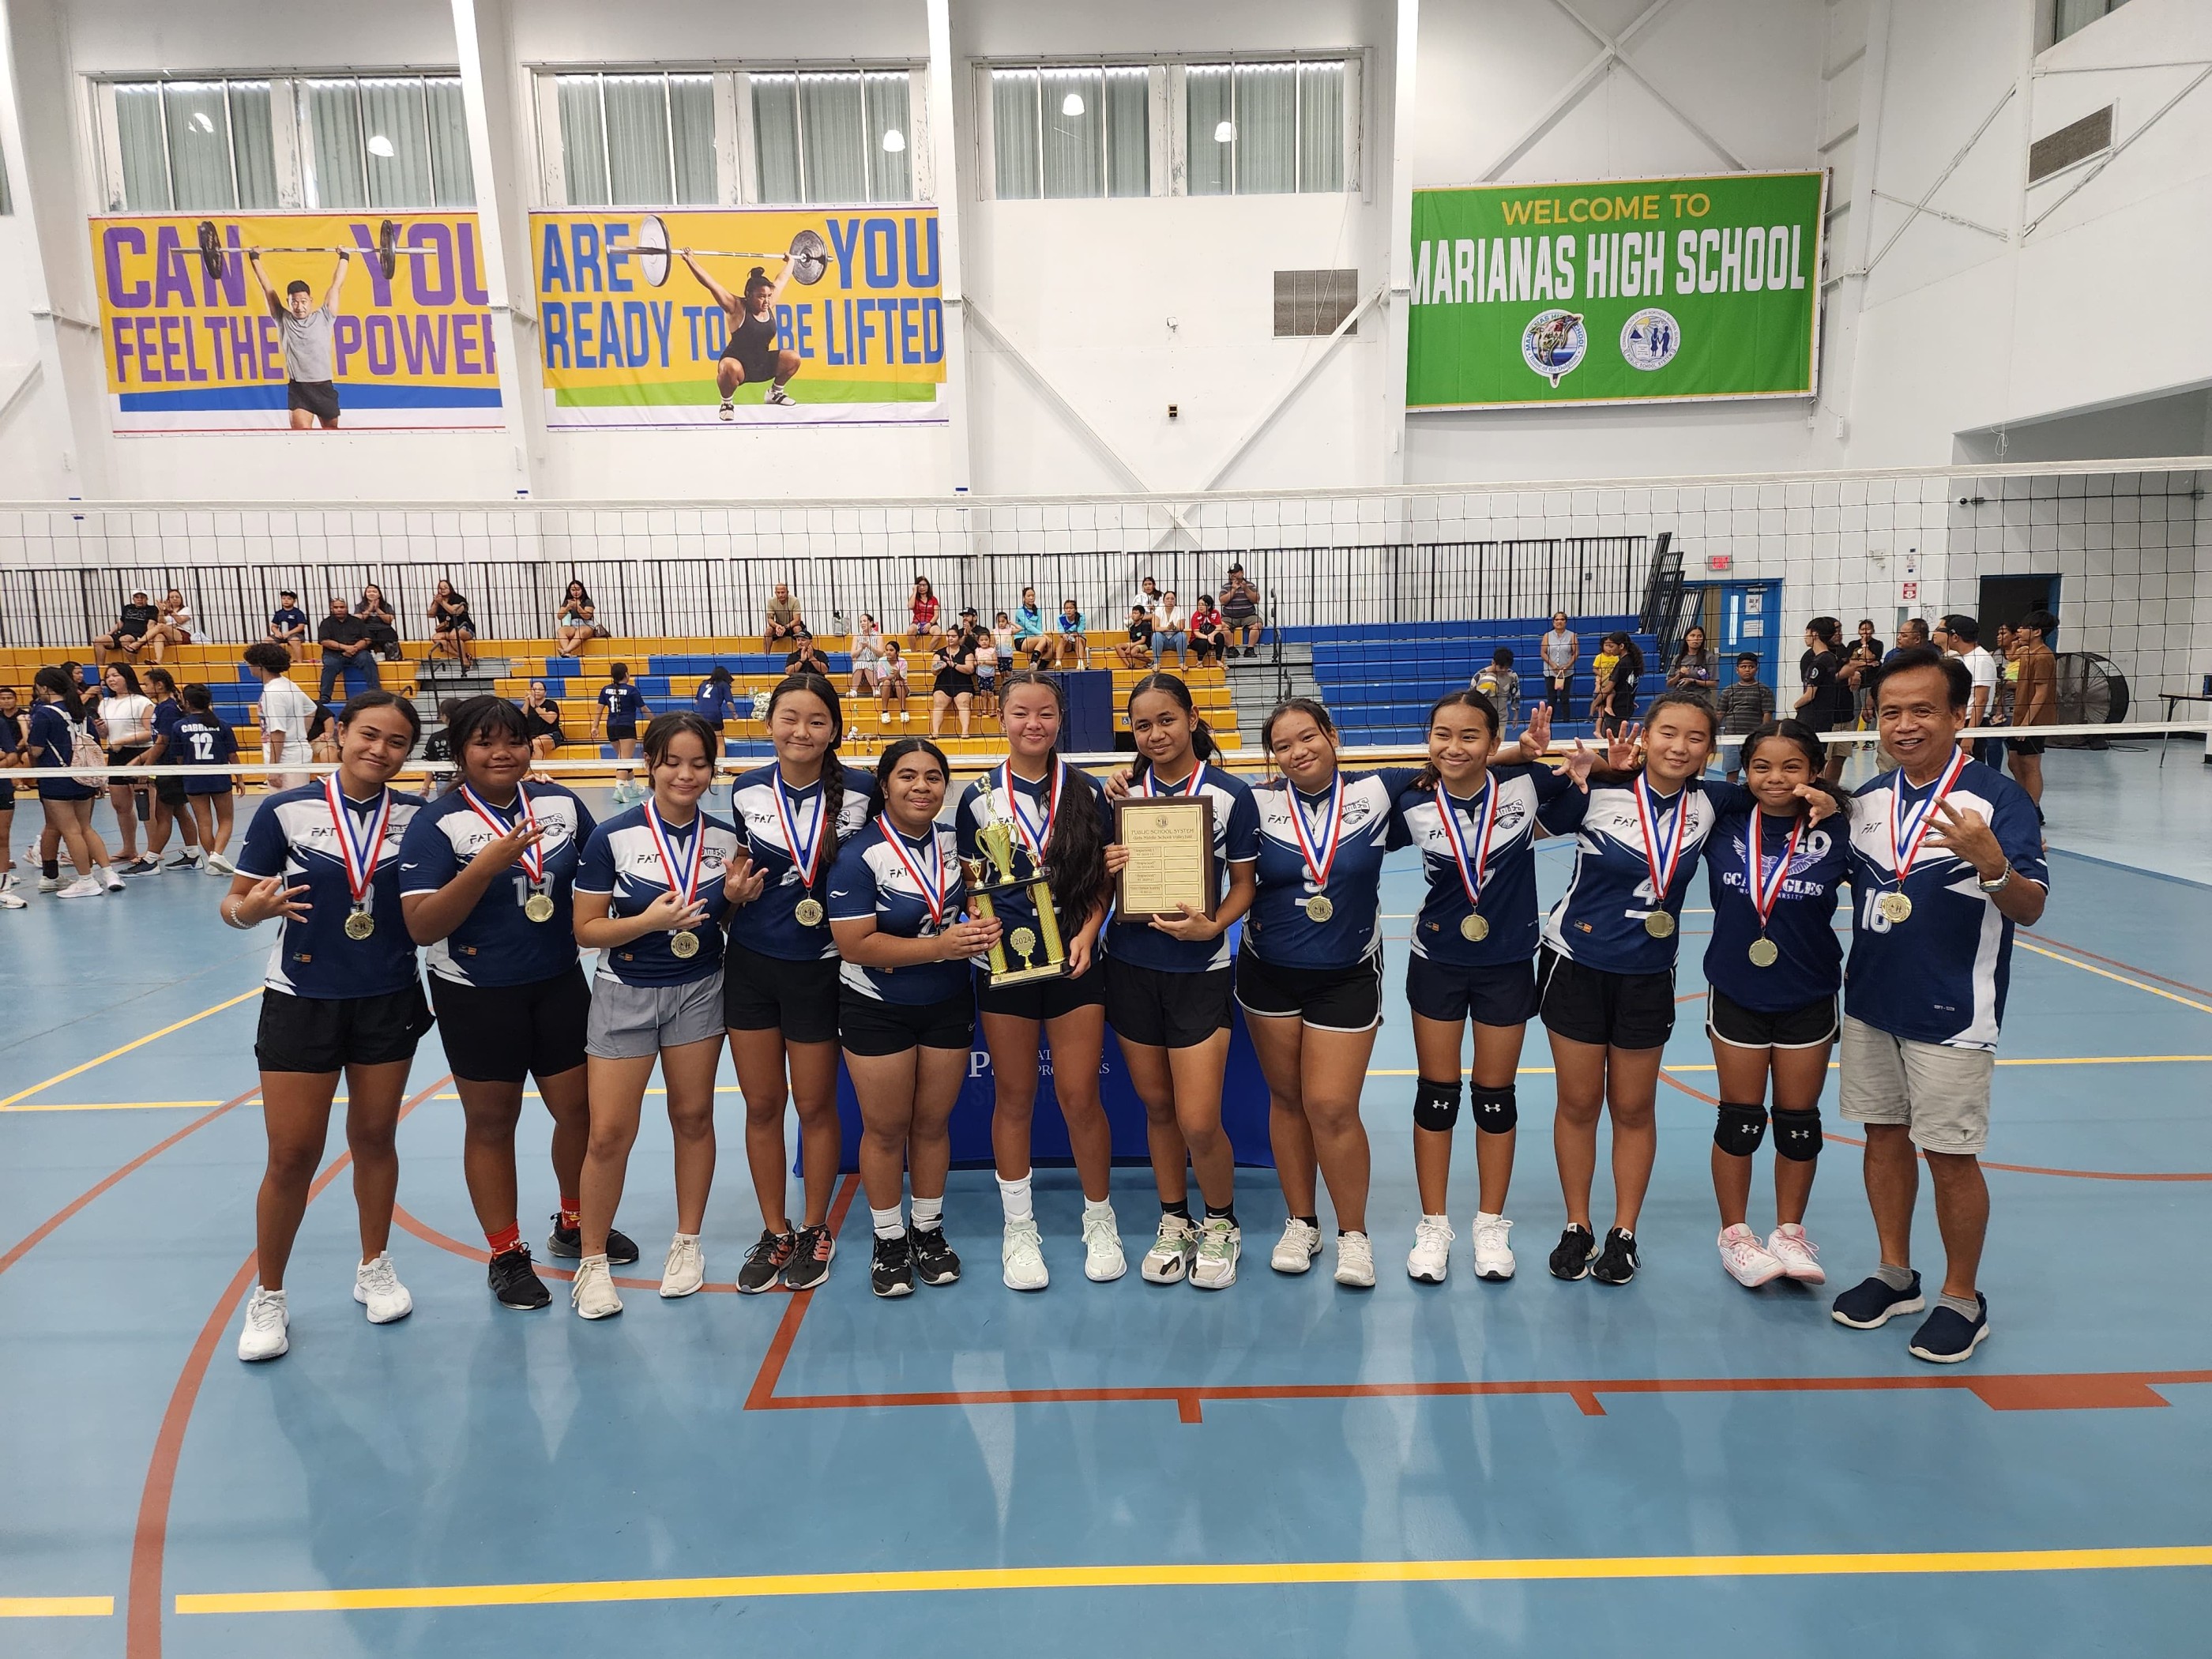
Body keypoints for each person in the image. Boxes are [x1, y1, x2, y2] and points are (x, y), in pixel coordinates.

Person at [1535, 692, 1838, 1287]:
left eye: (1695, 738)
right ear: (1645, 736)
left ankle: (1624, 1233)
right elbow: (1538, 809)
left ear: (1710, 750)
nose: (1679, 747)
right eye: (1668, 733)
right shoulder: (1599, 791)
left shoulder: (1717, 801)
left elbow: (1780, 789)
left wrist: (1827, 797)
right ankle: (1577, 1224)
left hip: (1649, 972)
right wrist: (1586, 772)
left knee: (1633, 1108)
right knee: (1577, 1104)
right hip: (1575, 962)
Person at [1828, 647, 2048, 1364]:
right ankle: (1895, 1274)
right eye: (1891, 712)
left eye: (1923, 710)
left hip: (1954, 1012)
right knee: (1883, 1138)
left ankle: (1961, 1298)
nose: (1905, 725)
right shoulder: (1868, 801)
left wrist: (1994, 864)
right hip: (1871, 1003)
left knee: (1950, 1156)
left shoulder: (1999, 800)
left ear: (1959, 715)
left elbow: (2030, 908)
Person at [398, 696, 628, 1311]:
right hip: (475, 993)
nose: (502, 752)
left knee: (579, 1112)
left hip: (557, 982)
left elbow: (605, 878)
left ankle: (574, 1223)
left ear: (531, 745)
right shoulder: (438, 823)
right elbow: (422, 925)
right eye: (485, 742)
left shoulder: (561, 805)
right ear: (460, 750)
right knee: (493, 1123)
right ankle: (505, 1253)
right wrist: (484, 867)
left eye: (514, 740)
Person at [223, 691, 428, 1361]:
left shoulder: (418, 817)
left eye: (396, 742)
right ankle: (269, 1295)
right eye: (368, 734)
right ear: (339, 733)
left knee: (375, 1138)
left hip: (388, 998)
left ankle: (374, 1266)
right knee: (291, 1155)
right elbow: (234, 904)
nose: (379, 750)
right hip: (302, 999)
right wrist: (252, 913)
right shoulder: (285, 811)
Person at [1393, 692, 1586, 1282]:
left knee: (1495, 1097)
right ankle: (1433, 1224)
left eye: (1471, 736)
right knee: (1436, 1094)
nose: (1455, 747)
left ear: (1493, 739)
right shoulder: (1411, 799)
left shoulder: (1526, 785)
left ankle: (1490, 1223)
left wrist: (1532, 758)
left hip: (1507, 963)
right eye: (1442, 734)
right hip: (1437, 960)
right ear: (1429, 738)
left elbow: (1589, 778)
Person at [1238, 700, 1420, 1289]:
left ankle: (1354, 1234)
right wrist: (1126, 780)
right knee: (1287, 1099)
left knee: (1333, 1106)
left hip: (1348, 972)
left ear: (1331, 736)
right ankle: (1302, 1222)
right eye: (1283, 745)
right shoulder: (1255, 803)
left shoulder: (1379, 791)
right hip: (1268, 971)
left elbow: (1455, 761)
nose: (1298, 752)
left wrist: (1521, 752)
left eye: (1307, 737)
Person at [567, 713, 743, 1319]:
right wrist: (648, 922)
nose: (686, 774)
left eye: (699, 763)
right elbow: (586, 930)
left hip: (699, 990)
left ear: (712, 770)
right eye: (673, 762)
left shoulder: (725, 841)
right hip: (625, 994)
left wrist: (734, 902)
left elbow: (721, 918)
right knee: (609, 1133)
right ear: (650, 765)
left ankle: (687, 1243)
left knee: (693, 1117)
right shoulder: (611, 837)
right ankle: (593, 1262)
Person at [957, 673, 1118, 1289]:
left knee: (1080, 1097)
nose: (1034, 723)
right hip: (1006, 966)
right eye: (1021, 712)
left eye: (1045, 712)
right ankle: (1019, 1228)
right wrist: (978, 923)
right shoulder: (975, 797)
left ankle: (1099, 1218)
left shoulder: (1088, 791)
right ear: (1001, 717)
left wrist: (1090, 932)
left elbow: (1102, 879)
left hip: (1076, 960)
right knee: (1015, 1096)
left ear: (1060, 719)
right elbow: (971, 884)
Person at [1101, 674, 1259, 1289]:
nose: (1155, 734)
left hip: (1198, 971)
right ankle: (1174, 1219)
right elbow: (1099, 881)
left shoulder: (1230, 795)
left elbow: (1243, 884)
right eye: (1142, 725)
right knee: (1159, 1107)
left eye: (1166, 719)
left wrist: (1213, 925)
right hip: (1130, 967)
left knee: (1198, 1118)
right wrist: (1107, 864)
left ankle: (1221, 1221)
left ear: (1192, 719)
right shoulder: (1120, 794)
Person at [722, 674, 878, 1294]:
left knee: (814, 1105)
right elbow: (739, 869)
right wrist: (732, 896)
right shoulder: (746, 788)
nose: (801, 731)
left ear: (834, 729)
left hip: (822, 967)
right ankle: (774, 1230)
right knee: (762, 1105)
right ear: (770, 724)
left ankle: (815, 1227)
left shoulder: (863, 790)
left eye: (816, 721)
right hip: (753, 965)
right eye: (789, 718)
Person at [829, 738, 999, 1298]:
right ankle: (888, 1238)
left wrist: (983, 922)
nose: (921, 787)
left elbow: (983, 898)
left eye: (932, 777)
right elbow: (855, 944)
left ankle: (927, 1229)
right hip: (877, 1006)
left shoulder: (957, 844)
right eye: (907, 776)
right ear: (885, 785)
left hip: (947, 1001)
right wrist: (940, 947)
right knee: (885, 1129)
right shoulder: (860, 855)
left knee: (931, 1124)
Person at [1701, 720, 1849, 1289]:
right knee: (1740, 1119)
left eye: (1792, 767)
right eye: (1762, 766)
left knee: (1798, 1122)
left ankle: (1789, 1232)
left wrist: (1833, 802)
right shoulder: (1724, 818)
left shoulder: (1838, 827)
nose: (1776, 778)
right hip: (1738, 988)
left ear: (1815, 771)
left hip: (1809, 991)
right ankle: (1735, 1236)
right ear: (1745, 771)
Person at [27, 666, 120, 897]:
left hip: (57, 779)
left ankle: (86, 881)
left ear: (45, 688)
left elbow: (36, 750)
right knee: (84, 827)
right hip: (84, 777)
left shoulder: (45, 713)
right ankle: (109, 874)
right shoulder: (81, 713)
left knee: (71, 831)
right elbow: (94, 745)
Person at [683, 258, 803, 416]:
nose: (766, 301)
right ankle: (727, 404)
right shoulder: (736, 307)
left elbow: (782, 279)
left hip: (761, 363)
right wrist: (689, 260)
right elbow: (711, 284)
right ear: (749, 295)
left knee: (793, 358)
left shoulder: (768, 303)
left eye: (769, 296)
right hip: (738, 365)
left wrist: (791, 262)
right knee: (729, 367)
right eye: (761, 296)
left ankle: (774, 393)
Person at [247, 246, 348, 429]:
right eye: (294, 302)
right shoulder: (283, 318)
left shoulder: (325, 316)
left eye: (303, 301)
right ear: (288, 302)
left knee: (333, 436)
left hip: (324, 387)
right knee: (301, 437)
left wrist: (344, 256)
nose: (299, 306)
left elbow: (337, 285)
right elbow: (267, 288)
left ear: (310, 301)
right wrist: (254, 257)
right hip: (299, 390)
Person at [137, 668, 203, 871]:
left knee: (163, 815)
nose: (144, 688)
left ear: (159, 685)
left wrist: (146, 767)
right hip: (168, 767)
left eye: (147, 684)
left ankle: (150, 861)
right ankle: (193, 855)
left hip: (170, 768)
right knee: (180, 811)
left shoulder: (168, 709)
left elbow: (163, 741)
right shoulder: (163, 707)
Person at [96, 664, 157, 873]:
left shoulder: (142, 702)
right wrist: (102, 731)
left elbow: (151, 732)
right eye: (108, 676)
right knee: (120, 805)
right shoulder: (105, 703)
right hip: (116, 754)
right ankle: (129, 848)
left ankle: (153, 850)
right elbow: (107, 735)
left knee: (145, 804)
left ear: (127, 677)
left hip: (140, 754)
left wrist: (123, 740)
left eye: (116, 675)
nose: (111, 679)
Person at [175, 684, 243, 872]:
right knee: (226, 820)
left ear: (188, 703)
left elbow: (179, 758)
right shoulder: (222, 725)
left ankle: (213, 862)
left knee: (204, 822)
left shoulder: (179, 726)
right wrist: (240, 778)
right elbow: (233, 756)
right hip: (219, 777)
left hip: (194, 778)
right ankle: (217, 855)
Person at [243, 643, 316, 794]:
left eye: (249, 662)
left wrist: (275, 769)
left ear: (260, 665)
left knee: (289, 806)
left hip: (287, 761)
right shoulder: (288, 684)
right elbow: (311, 709)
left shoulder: (273, 693)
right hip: (295, 756)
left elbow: (278, 732)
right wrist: (300, 736)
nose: (248, 666)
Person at [1934, 615, 2002, 769]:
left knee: (1969, 770)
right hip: (1961, 721)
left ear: (1955, 637)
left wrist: (1970, 734)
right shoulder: (1966, 658)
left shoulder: (1981, 659)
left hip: (1972, 723)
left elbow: (1981, 699)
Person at [2006, 609, 2058, 808]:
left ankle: (2033, 809)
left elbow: (2041, 693)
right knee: (2013, 762)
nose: (2019, 630)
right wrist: (2015, 643)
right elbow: (2011, 657)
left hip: (2034, 720)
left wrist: (2027, 723)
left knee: (2030, 763)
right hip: (2020, 715)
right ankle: (2024, 802)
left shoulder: (2043, 656)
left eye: (2024, 627)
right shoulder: (2027, 651)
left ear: (2037, 632)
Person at [1794, 617, 1854, 782]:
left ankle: (1823, 791)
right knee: (1817, 762)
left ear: (1814, 634)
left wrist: (1796, 704)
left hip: (1824, 717)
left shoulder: (1826, 658)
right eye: (1835, 630)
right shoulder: (1818, 658)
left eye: (1806, 632)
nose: (1805, 636)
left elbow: (1811, 693)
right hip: (1823, 718)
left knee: (1821, 760)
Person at [591, 663, 649, 804]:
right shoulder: (632, 690)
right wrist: (657, 721)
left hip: (611, 727)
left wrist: (595, 726)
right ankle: (619, 791)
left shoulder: (606, 689)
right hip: (626, 727)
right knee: (624, 759)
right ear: (626, 674)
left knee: (624, 758)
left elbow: (599, 709)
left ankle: (634, 788)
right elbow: (644, 709)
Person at [1715, 653, 1775, 781]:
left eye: (1751, 666)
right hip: (1731, 738)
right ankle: (1731, 793)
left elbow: (1767, 714)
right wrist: (1711, 730)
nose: (1747, 669)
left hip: (1753, 739)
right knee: (1731, 772)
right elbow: (1720, 713)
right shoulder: (1728, 691)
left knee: (1753, 772)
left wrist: (1763, 736)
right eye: (1743, 667)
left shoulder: (1764, 690)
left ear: (1757, 669)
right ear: (1737, 670)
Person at [317, 598, 381, 704]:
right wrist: (345, 648)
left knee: (367, 658)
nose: (339, 609)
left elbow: (367, 639)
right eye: (336, 607)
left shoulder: (357, 621)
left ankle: (376, 693)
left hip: (357, 652)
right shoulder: (326, 623)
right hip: (334, 654)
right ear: (331, 609)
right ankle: (325, 696)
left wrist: (354, 648)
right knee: (330, 665)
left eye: (342, 607)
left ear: (346, 608)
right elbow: (325, 641)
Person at [0, 686, 28, 908]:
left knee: (2, 836)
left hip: (2, 787)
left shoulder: (1, 723)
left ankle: (3, 887)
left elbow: (12, 757)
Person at [929, 625, 980, 739]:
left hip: (963, 685)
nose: (950, 638)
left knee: (963, 702)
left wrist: (954, 665)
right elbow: (933, 670)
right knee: (938, 702)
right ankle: (935, 732)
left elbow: (970, 669)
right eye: (948, 636)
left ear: (959, 638)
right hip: (943, 685)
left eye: (953, 636)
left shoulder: (967, 652)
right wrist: (940, 666)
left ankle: (965, 732)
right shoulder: (939, 653)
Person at [1592, 633, 1642, 736]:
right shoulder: (1632, 661)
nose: (1610, 649)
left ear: (1621, 646)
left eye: (1612, 646)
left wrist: (1595, 703)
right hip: (1626, 705)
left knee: (1609, 741)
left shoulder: (1622, 663)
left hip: (1617, 709)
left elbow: (1609, 688)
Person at [427, 579, 477, 672]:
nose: (443, 589)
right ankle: (463, 655)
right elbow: (430, 615)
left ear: (450, 588)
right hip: (449, 630)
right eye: (440, 588)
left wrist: (442, 603)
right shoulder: (438, 602)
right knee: (436, 637)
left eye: (445, 587)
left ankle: (465, 661)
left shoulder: (458, 599)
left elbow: (455, 612)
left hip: (465, 628)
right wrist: (436, 603)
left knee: (454, 635)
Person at [97, 591, 160, 665]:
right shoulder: (128, 607)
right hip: (122, 634)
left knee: (124, 639)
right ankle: (100, 668)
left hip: (138, 635)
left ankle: (134, 666)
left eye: (142, 597)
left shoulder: (152, 609)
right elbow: (121, 623)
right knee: (98, 640)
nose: (139, 599)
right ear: (133, 599)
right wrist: (110, 632)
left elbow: (151, 625)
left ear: (147, 599)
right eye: (137, 597)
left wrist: (148, 639)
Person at [1540, 611, 1579, 719]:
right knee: (1551, 698)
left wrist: (1567, 666)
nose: (1559, 622)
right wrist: (1553, 665)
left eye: (1562, 619)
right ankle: (1549, 721)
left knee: (1565, 698)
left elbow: (1576, 653)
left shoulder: (1572, 635)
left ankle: (1567, 721)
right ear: (1553, 622)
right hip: (1550, 671)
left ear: (1566, 622)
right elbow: (1543, 653)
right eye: (1557, 619)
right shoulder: (1547, 636)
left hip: (1567, 672)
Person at [692, 665, 739, 752]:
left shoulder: (703, 683)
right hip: (714, 715)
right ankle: (721, 761)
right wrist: (734, 714)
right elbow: (729, 703)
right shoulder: (723, 685)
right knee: (720, 743)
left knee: (705, 742)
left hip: (701, 716)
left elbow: (696, 701)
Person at [1219, 566, 1262, 656]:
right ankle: (1231, 649)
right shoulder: (1226, 586)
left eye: (1235, 572)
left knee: (1258, 624)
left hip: (1249, 616)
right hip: (1229, 617)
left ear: (1242, 572)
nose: (1233, 575)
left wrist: (1246, 589)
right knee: (1221, 625)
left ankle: (1250, 649)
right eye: (1231, 573)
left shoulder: (1250, 585)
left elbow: (1256, 600)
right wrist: (1233, 590)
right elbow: (1222, 601)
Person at [555, 580, 604, 657]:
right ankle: (567, 653)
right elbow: (559, 616)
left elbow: (587, 616)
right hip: (573, 626)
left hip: (587, 625)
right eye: (573, 590)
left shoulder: (587, 601)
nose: (576, 592)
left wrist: (578, 607)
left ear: (582, 590)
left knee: (580, 631)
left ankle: (565, 651)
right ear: (570, 591)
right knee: (561, 631)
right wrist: (567, 608)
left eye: (578, 590)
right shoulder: (568, 602)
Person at [1475, 649, 1521, 728]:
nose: (1503, 670)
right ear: (1493, 663)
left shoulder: (1512, 676)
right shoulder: (1480, 676)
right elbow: (1471, 697)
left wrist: (1516, 716)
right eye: (1501, 667)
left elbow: (1516, 696)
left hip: (1501, 718)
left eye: (1506, 668)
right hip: (1482, 718)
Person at [145, 589, 194, 664]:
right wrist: (161, 611)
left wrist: (171, 612)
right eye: (172, 597)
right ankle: (158, 660)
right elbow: (161, 622)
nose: (175, 599)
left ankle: (139, 643)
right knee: (159, 636)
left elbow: (180, 621)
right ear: (168, 600)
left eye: (177, 597)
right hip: (168, 635)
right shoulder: (166, 612)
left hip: (182, 635)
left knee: (162, 627)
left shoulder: (186, 609)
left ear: (181, 599)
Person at [354, 585, 401, 661]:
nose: (371, 593)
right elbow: (357, 619)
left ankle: (393, 659)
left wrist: (377, 609)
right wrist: (369, 609)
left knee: (391, 637)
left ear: (379, 594)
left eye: (374, 591)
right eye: (369, 592)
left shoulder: (386, 606)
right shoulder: (360, 606)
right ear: (365, 594)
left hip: (384, 629)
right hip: (367, 629)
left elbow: (389, 620)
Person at [520, 679, 563, 761]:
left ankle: (539, 769)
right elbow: (521, 719)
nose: (537, 691)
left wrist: (535, 706)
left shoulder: (551, 704)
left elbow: (550, 720)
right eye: (534, 689)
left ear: (545, 692)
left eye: (540, 689)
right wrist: (527, 702)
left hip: (551, 735)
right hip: (533, 736)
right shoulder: (528, 706)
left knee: (534, 744)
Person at [1668, 626, 1715, 692]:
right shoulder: (1678, 658)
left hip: (1700, 696)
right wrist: (1679, 675)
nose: (1696, 639)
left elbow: (1714, 684)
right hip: (1680, 695)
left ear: (1703, 639)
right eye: (1692, 636)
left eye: (1699, 636)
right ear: (1686, 638)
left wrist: (1693, 681)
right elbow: (1669, 684)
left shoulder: (1709, 657)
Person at [1149, 590, 1190, 670]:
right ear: (1163, 601)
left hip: (1174, 640)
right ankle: (1157, 663)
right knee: (1156, 635)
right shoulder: (1158, 610)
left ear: (1175, 601)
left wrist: (1174, 628)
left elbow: (1181, 627)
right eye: (1167, 599)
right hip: (1162, 640)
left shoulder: (1179, 610)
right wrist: (1167, 628)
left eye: (1172, 599)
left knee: (1182, 635)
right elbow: (1155, 628)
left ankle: (1182, 663)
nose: (1170, 601)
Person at [850, 613, 886, 701]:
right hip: (859, 665)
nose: (862, 623)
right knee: (860, 664)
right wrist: (861, 648)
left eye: (864, 621)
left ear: (871, 623)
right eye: (861, 622)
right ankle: (854, 691)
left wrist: (869, 646)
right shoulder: (857, 636)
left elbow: (881, 654)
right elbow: (852, 655)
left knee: (866, 665)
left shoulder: (878, 636)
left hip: (875, 664)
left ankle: (875, 689)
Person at [1047, 599, 1089, 669]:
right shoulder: (1060, 618)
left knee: (1078, 639)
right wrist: (1064, 635)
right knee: (1063, 639)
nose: (1068, 610)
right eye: (1066, 608)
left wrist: (1071, 635)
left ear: (1075, 610)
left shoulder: (1081, 617)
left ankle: (1081, 664)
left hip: (1079, 640)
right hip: (1068, 643)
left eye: (1071, 608)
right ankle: (1058, 663)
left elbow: (1080, 632)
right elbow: (1061, 632)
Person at [876, 639, 912, 724]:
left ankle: (903, 711)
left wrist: (898, 675)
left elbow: (902, 679)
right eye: (887, 650)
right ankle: (885, 712)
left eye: (891, 650)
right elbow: (881, 679)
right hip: (887, 688)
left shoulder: (903, 662)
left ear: (897, 652)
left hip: (901, 687)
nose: (888, 652)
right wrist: (893, 676)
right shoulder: (882, 661)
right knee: (887, 683)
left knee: (898, 683)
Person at [269, 590, 310, 660]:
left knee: (294, 640)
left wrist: (289, 633)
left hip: (296, 634)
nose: (286, 600)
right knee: (267, 640)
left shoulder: (298, 613)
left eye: (289, 599)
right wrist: (277, 632)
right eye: (283, 598)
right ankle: (273, 661)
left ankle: (300, 662)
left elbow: (301, 627)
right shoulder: (279, 613)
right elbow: (274, 626)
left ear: (294, 601)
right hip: (282, 635)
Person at [1188, 595, 1228, 665]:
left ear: (1209, 606)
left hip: (1211, 636)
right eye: (1199, 604)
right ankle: (1200, 661)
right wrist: (1207, 637)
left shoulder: (1215, 613)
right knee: (1204, 643)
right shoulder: (1196, 615)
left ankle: (1218, 660)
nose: (1200, 607)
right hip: (1197, 639)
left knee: (1220, 636)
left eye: (1203, 605)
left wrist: (1212, 635)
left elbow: (1219, 627)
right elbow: (1197, 633)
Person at [763, 582, 803, 652]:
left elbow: (797, 620)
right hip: (778, 626)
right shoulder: (771, 601)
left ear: (787, 592)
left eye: (783, 592)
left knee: (798, 629)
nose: (781, 595)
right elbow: (770, 619)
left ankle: (802, 653)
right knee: (768, 630)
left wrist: (785, 627)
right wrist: (777, 626)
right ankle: (766, 655)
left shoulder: (794, 600)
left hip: (792, 626)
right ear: (775, 593)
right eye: (778, 593)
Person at [1114, 604, 1156, 669]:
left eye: (1136, 613)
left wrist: (1130, 647)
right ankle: (1129, 665)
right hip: (1134, 644)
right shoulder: (1132, 627)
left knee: (1133, 652)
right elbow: (1131, 640)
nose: (1133, 615)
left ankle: (1151, 662)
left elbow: (1143, 640)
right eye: (1133, 613)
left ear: (1141, 615)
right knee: (1118, 646)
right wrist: (1130, 646)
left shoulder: (1145, 625)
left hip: (1144, 644)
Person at [907, 576, 942, 651]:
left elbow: (936, 614)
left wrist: (930, 624)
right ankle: (914, 653)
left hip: (930, 623)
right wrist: (914, 592)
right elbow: (910, 606)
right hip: (917, 623)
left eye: (924, 585)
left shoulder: (933, 599)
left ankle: (927, 652)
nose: (922, 587)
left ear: (928, 586)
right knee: (910, 631)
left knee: (938, 633)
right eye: (920, 585)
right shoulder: (914, 598)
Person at [1012, 588, 1047, 661]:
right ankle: (1033, 662)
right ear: (1024, 598)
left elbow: (1039, 628)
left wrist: (1042, 636)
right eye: (1029, 596)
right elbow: (1028, 626)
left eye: (1033, 596)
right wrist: (1043, 635)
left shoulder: (1038, 611)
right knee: (1044, 639)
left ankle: (1040, 666)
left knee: (1052, 646)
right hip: (1021, 639)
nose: (1031, 598)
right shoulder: (1020, 611)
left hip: (1035, 639)